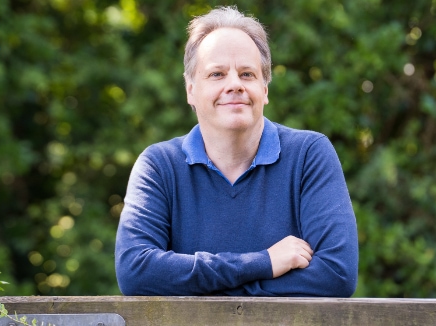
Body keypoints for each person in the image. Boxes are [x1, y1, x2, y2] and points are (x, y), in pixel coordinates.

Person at [114, 6, 358, 297]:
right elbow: (135, 271)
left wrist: (213, 287)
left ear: (264, 88)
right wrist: (263, 263)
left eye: (247, 74)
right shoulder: (158, 166)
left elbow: (336, 274)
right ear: (191, 89)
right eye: (217, 74)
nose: (234, 85)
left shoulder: (309, 155)